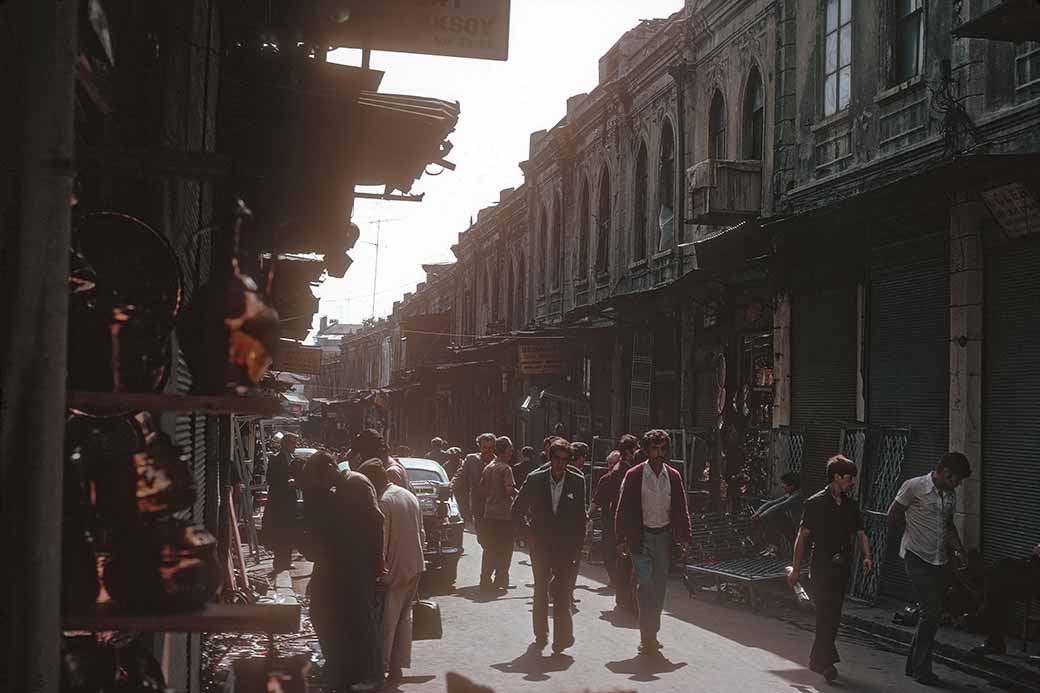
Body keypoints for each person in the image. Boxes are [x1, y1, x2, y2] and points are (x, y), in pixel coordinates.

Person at [300, 451, 385, 690]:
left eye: (320, 477)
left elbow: (377, 522)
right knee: (335, 615)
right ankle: (345, 669)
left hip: (359, 563)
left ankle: (373, 676)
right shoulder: (339, 488)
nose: (320, 483)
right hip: (344, 563)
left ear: (330, 468)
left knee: (363, 618)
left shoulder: (355, 483)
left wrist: (378, 561)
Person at [888, 451, 973, 686]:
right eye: (957, 479)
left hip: (939, 560)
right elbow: (893, 515)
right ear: (945, 472)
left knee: (931, 614)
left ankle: (913, 665)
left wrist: (958, 549)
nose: (958, 484)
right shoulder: (914, 486)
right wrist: (911, 534)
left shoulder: (950, 494)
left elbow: (948, 524)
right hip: (916, 557)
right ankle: (922, 670)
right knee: (931, 611)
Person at [787, 455, 872, 683]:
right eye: (849, 478)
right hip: (822, 566)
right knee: (825, 613)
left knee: (833, 615)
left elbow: (861, 533)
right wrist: (796, 569)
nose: (852, 483)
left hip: (842, 566)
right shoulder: (815, 503)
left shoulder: (851, 506)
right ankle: (826, 663)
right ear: (837, 477)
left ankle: (818, 660)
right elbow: (802, 537)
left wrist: (867, 556)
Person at [615, 430, 692, 654]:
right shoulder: (634, 475)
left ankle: (652, 633)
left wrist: (685, 538)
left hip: (664, 538)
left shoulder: (673, 476)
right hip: (641, 538)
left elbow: (681, 509)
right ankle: (647, 637)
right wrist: (621, 538)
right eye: (654, 448)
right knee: (645, 586)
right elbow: (624, 508)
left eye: (662, 449)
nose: (659, 453)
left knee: (659, 588)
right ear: (647, 450)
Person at [512, 438, 587, 654]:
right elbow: (517, 510)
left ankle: (562, 638)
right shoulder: (535, 479)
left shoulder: (577, 481)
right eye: (557, 459)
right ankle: (541, 633)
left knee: (562, 591)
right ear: (550, 458)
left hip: (565, 546)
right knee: (541, 588)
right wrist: (527, 535)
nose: (561, 464)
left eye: (565, 460)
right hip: (540, 544)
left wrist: (577, 547)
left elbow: (580, 518)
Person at [357, 459, 425, 683]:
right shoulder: (408, 495)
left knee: (386, 623)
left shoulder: (383, 501)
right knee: (404, 621)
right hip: (414, 566)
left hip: (393, 571)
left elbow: (381, 542)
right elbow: (421, 533)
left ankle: (379, 670)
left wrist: (377, 572)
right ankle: (396, 667)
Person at [971, 543, 1040, 655]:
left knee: (997, 587)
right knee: (1001, 565)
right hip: (1033, 567)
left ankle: (982, 612)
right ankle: (983, 607)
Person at [589, 442, 635, 610]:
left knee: (621, 557)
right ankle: (618, 585)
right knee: (610, 554)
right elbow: (597, 500)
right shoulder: (607, 479)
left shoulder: (629, 476)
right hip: (610, 522)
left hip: (623, 523)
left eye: (613, 463)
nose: (611, 466)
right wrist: (587, 515)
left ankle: (623, 590)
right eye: (608, 463)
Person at [478, 436, 518, 592]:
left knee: (490, 549)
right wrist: (519, 496)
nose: (512, 451)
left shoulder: (488, 467)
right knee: (505, 549)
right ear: (505, 450)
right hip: (504, 515)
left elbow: (482, 489)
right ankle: (501, 579)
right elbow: (509, 490)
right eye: (510, 448)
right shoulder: (505, 468)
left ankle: (485, 579)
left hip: (489, 513)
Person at [264, 432, 300, 573]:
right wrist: (286, 483)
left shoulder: (293, 459)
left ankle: (287, 560)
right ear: (285, 444)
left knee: (290, 531)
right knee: (280, 532)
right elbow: (271, 479)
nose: (295, 446)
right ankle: (279, 561)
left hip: (290, 500)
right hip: (279, 501)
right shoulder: (276, 459)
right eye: (293, 443)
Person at [349, 428, 414, 495]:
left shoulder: (391, 472)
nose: (363, 459)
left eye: (364, 454)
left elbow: (391, 499)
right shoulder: (393, 464)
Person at [451, 432, 495, 527]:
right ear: (479, 447)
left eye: (490, 448)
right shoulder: (471, 459)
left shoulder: (499, 462)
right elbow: (460, 475)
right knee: (481, 532)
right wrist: (450, 487)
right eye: (484, 447)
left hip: (495, 506)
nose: (487, 450)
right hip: (477, 504)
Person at [752, 472, 803, 552]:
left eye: (784, 484)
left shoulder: (797, 496)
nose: (782, 486)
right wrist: (758, 512)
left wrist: (761, 517)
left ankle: (775, 548)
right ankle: (773, 546)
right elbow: (772, 503)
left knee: (775, 514)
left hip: (801, 528)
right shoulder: (791, 494)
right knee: (773, 515)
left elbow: (780, 506)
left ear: (792, 486)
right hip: (796, 526)